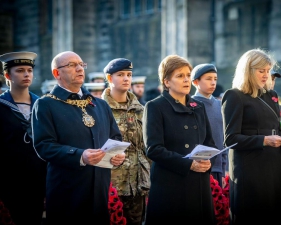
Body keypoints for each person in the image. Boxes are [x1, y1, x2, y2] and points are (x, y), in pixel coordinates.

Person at [31, 51, 126, 225]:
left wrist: (118, 154)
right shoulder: (45, 104)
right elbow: (44, 145)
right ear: (56, 73)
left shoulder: (100, 104)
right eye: (72, 65)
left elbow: (115, 136)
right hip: (67, 190)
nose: (79, 68)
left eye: (81, 64)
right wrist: (79, 156)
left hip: (99, 188)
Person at [221, 49, 281, 225]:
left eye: (268, 71)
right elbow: (231, 139)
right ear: (248, 70)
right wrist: (263, 140)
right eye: (261, 71)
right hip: (251, 173)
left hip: (275, 169)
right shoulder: (234, 96)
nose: (266, 75)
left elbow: (279, 129)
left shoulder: (272, 96)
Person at [143, 55, 216, 225]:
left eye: (188, 75)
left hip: (198, 182)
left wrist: (207, 160)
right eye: (179, 76)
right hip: (171, 184)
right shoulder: (155, 106)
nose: (186, 80)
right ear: (166, 81)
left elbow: (209, 142)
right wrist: (188, 164)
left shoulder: (198, 106)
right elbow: (153, 149)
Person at [102, 58, 151, 225]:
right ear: (109, 78)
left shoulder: (140, 109)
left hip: (139, 182)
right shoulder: (100, 108)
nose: (126, 78)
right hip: (113, 182)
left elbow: (147, 146)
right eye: (120, 74)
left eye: (129, 75)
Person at [0, 52, 47, 225]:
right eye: (20, 70)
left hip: (38, 180)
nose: (26, 74)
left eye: (29, 70)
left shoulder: (42, 105)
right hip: (9, 182)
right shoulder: (1, 105)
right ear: (7, 75)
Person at [191, 63, 227, 187]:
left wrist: (223, 167)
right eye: (208, 79)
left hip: (218, 169)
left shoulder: (219, 105)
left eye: (215, 79)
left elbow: (223, 138)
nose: (213, 83)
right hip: (199, 166)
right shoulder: (191, 105)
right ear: (195, 82)